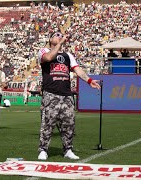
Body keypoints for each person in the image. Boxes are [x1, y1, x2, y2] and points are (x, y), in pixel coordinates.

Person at [37, 31, 100, 160]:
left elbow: (77, 70)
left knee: (69, 123)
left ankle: (68, 149)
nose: (60, 37)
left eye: (61, 35)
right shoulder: (43, 51)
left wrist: (89, 80)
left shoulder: (68, 55)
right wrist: (59, 44)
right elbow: (48, 58)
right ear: (50, 39)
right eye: (56, 35)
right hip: (51, 93)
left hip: (66, 94)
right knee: (48, 123)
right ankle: (43, 149)